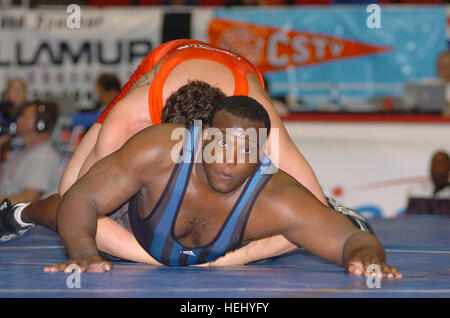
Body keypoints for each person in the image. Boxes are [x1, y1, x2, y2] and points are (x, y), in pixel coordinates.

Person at [0, 40, 372, 264]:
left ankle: (340, 212)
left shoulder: (258, 116)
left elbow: (309, 214)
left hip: (238, 76)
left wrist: (231, 258)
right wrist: (157, 258)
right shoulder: (133, 114)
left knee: (305, 203)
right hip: (159, 69)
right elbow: (75, 200)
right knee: (75, 191)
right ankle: (22, 213)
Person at [41, 96, 401, 279]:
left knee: (305, 225)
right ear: (201, 137)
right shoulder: (159, 151)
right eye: (221, 143)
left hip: (226, 251)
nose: (229, 160)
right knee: (62, 207)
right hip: (133, 223)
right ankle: (21, 213)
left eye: (246, 150)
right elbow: (83, 197)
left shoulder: (275, 197)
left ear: (262, 155)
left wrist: (366, 257)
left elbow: (352, 239)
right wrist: (84, 249)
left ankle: (332, 203)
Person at [0, 101, 61, 204]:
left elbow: (28, 198)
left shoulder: (44, 156)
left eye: (24, 116)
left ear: (40, 124)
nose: (18, 120)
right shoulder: (23, 151)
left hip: (17, 217)